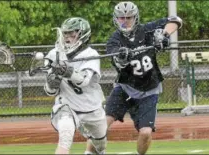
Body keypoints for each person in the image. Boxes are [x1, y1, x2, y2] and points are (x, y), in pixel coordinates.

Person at [85, 1, 182, 154]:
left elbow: (176, 20)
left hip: (149, 91)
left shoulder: (147, 30)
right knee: (100, 127)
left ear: (135, 17)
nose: (125, 21)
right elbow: (117, 60)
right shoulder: (114, 40)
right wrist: (122, 56)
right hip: (125, 88)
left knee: (145, 133)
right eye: (121, 18)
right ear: (116, 19)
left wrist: (163, 36)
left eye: (129, 17)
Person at [44, 17, 107, 154]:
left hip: (92, 108)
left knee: (100, 146)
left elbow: (83, 81)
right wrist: (51, 83)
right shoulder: (54, 55)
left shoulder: (91, 54)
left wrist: (67, 71)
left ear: (82, 34)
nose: (67, 37)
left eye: (72, 33)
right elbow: (50, 91)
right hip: (67, 106)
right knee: (65, 136)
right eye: (65, 33)